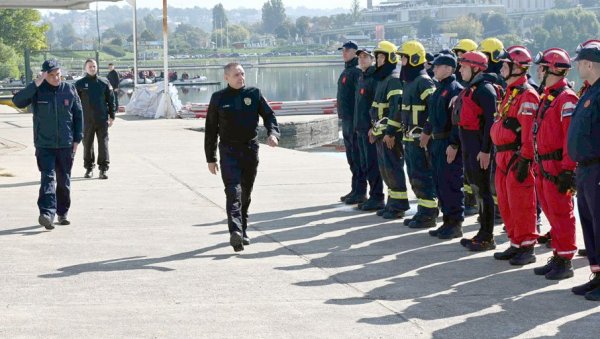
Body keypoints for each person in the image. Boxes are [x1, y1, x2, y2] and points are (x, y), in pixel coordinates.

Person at [204, 62, 280, 252]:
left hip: (250, 150)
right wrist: (210, 158)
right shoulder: (218, 98)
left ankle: (243, 229)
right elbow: (211, 130)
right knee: (233, 191)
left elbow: (269, 116)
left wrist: (273, 133)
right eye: (236, 75)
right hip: (228, 150)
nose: (240, 78)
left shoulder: (254, 94)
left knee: (246, 191)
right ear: (226, 78)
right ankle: (235, 232)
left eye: (242, 74)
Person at [12, 59, 83, 229]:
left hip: (66, 144)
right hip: (44, 144)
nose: (56, 78)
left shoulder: (69, 89)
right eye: (51, 75)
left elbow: (78, 115)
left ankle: (62, 212)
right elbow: (18, 101)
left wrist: (77, 139)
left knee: (64, 180)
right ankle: (47, 214)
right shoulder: (37, 90)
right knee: (47, 178)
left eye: (58, 75)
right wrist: (35, 84)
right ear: (44, 75)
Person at [530, 48, 578, 280]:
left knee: (561, 213)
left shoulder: (566, 99)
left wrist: (568, 170)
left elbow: (570, 137)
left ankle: (566, 260)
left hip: (558, 167)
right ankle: (559, 254)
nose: (538, 70)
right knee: (551, 212)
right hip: (544, 166)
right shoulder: (549, 96)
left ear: (553, 69)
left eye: (542, 67)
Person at [491, 46, 540, 266]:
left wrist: (525, 159)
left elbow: (529, 132)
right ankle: (515, 242)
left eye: (505, 64)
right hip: (502, 156)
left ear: (517, 67)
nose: (501, 68)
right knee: (505, 202)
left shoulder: (527, 95)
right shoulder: (510, 92)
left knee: (521, 203)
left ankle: (527, 245)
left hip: (516, 157)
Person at [391, 40, 438, 228]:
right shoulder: (409, 82)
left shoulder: (423, 81)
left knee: (423, 176)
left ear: (414, 59)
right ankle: (422, 211)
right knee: (414, 176)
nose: (401, 62)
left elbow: (435, 109)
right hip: (410, 139)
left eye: (403, 58)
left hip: (421, 141)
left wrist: (427, 132)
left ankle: (429, 214)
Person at [454, 51, 498, 251]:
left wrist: (486, 150)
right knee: (478, 189)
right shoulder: (471, 89)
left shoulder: (484, 90)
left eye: (463, 66)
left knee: (484, 191)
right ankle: (482, 232)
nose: (460, 70)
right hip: (470, 147)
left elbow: (491, 122)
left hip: (480, 149)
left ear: (475, 68)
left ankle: (487, 237)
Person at [567, 40, 600, 301]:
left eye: (580, 61)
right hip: (585, 169)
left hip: (597, 169)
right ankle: (597, 275)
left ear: (590, 64)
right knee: (589, 224)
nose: (576, 65)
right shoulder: (588, 92)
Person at [421, 51, 465, 239]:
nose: (434, 69)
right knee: (440, 183)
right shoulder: (440, 89)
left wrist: (454, 144)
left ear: (448, 69)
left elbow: (458, 121)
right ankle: (447, 221)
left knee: (451, 183)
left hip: (448, 141)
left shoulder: (455, 89)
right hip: (437, 141)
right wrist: (426, 132)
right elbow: (433, 114)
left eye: (438, 66)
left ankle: (455, 224)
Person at [369, 40, 410, 219]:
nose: (378, 61)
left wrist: (391, 133)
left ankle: (399, 205)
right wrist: (374, 129)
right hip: (381, 134)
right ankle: (391, 203)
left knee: (393, 169)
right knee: (386, 170)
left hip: (390, 136)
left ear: (390, 58)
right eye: (377, 57)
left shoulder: (393, 80)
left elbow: (396, 109)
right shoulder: (383, 80)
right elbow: (378, 109)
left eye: (381, 57)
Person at [451, 38, 480, 216]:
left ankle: (475, 203)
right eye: (459, 56)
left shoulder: (482, 87)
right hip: (465, 137)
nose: (460, 59)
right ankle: (470, 201)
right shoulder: (464, 84)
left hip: (477, 139)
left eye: (463, 55)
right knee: (466, 173)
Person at [354, 48, 385, 211]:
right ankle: (370, 196)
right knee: (365, 164)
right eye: (360, 57)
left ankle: (377, 197)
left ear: (372, 59)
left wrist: (374, 128)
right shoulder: (362, 77)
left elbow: (375, 106)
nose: (362, 59)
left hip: (369, 130)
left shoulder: (373, 78)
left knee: (373, 164)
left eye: (365, 57)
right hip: (360, 128)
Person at [75, 59, 116, 180]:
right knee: (87, 145)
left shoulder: (104, 82)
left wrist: (112, 116)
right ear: (85, 68)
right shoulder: (80, 84)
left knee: (103, 144)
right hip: (86, 120)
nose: (92, 68)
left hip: (102, 119)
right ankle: (89, 168)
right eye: (90, 67)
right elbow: (75, 103)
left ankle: (103, 169)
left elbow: (111, 100)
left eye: (94, 66)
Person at [337, 41, 365, 205]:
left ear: (355, 52)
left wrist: (357, 121)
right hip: (346, 120)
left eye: (347, 50)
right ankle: (355, 189)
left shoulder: (355, 72)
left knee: (357, 156)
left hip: (354, 121)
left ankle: (360, 191)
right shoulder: (347, 71)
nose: (344, 53)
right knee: (351, 158)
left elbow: (358, 99)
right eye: (343, 50)